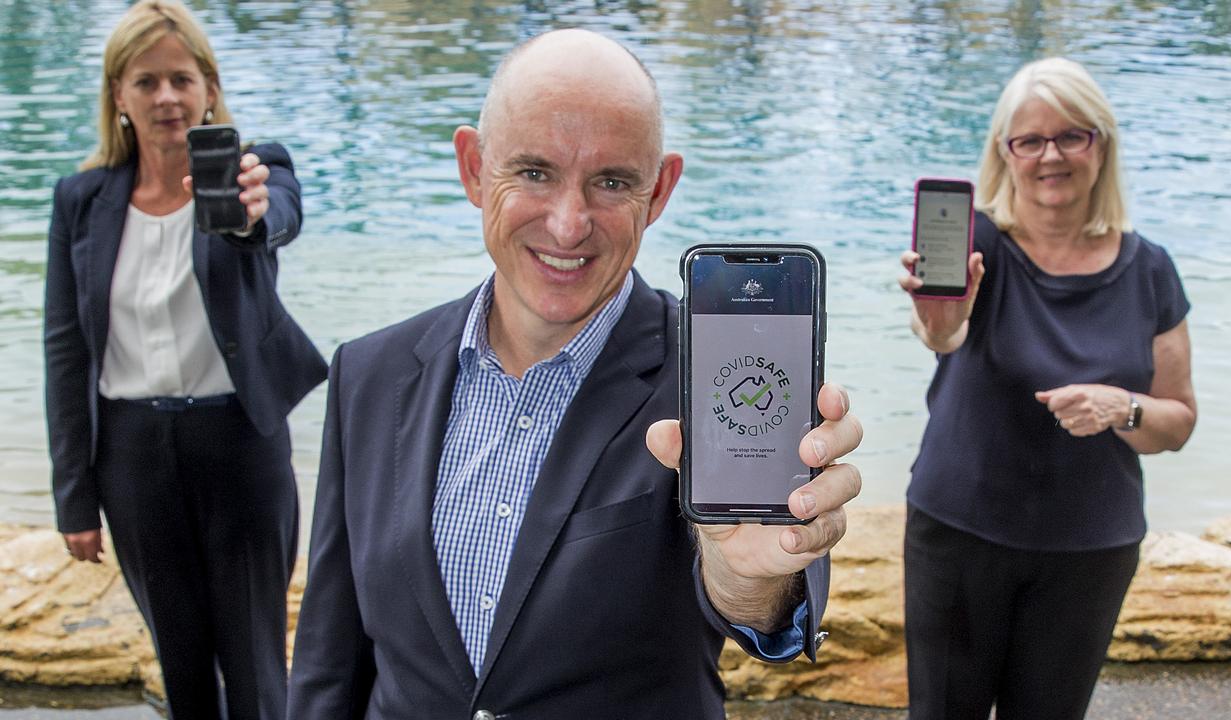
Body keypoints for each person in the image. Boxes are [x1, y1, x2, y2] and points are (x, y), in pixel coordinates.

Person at [286, 28, 863, 719]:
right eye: (533, 172)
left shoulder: (716, 376)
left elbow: (758, 602)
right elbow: (329, 663)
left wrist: (750, 578)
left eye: (612, 181)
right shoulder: (368, 375)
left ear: (660, 191)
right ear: (473, 168)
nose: (568, 225)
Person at [43, 2, 326, 717]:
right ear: (119, 96)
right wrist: (73, 495)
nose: (166, 97)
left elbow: (278, 219)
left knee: (258, 667)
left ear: (208, 86)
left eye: (180, 78)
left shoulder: (258, 172)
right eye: (146, 82)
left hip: (238, 443)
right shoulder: (82, 200)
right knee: (181, 665)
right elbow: (66, 350)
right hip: (132, 456)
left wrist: (253, 214)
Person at [897, 57, 1197, 720]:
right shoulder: (976, 240)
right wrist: (939, 312)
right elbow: (943, 337)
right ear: (1005, 155)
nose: (1049, 156)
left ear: (1102, 144)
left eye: (1071, 136)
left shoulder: (1150, 270)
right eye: (1028, 141)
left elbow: (1176, 422)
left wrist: (1123, 407)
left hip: (1089, 548)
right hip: (960, 531)